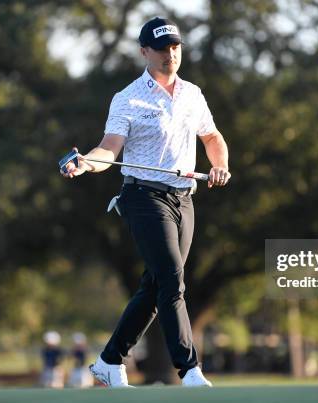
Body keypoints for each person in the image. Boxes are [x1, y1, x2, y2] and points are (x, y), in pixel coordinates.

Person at [61, 17, 230, 388]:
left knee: (155, 286)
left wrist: (220, 166)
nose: (171, 54)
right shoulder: (128, 98)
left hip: (183, 198)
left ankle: (109, 360)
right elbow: (109, 149)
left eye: (175, 47)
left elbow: (212, 137)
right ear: (144, 52)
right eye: (161, 48)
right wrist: (87, 163)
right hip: (143, 196)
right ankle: (190, 371)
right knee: (172, 279)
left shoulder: (193, 94)